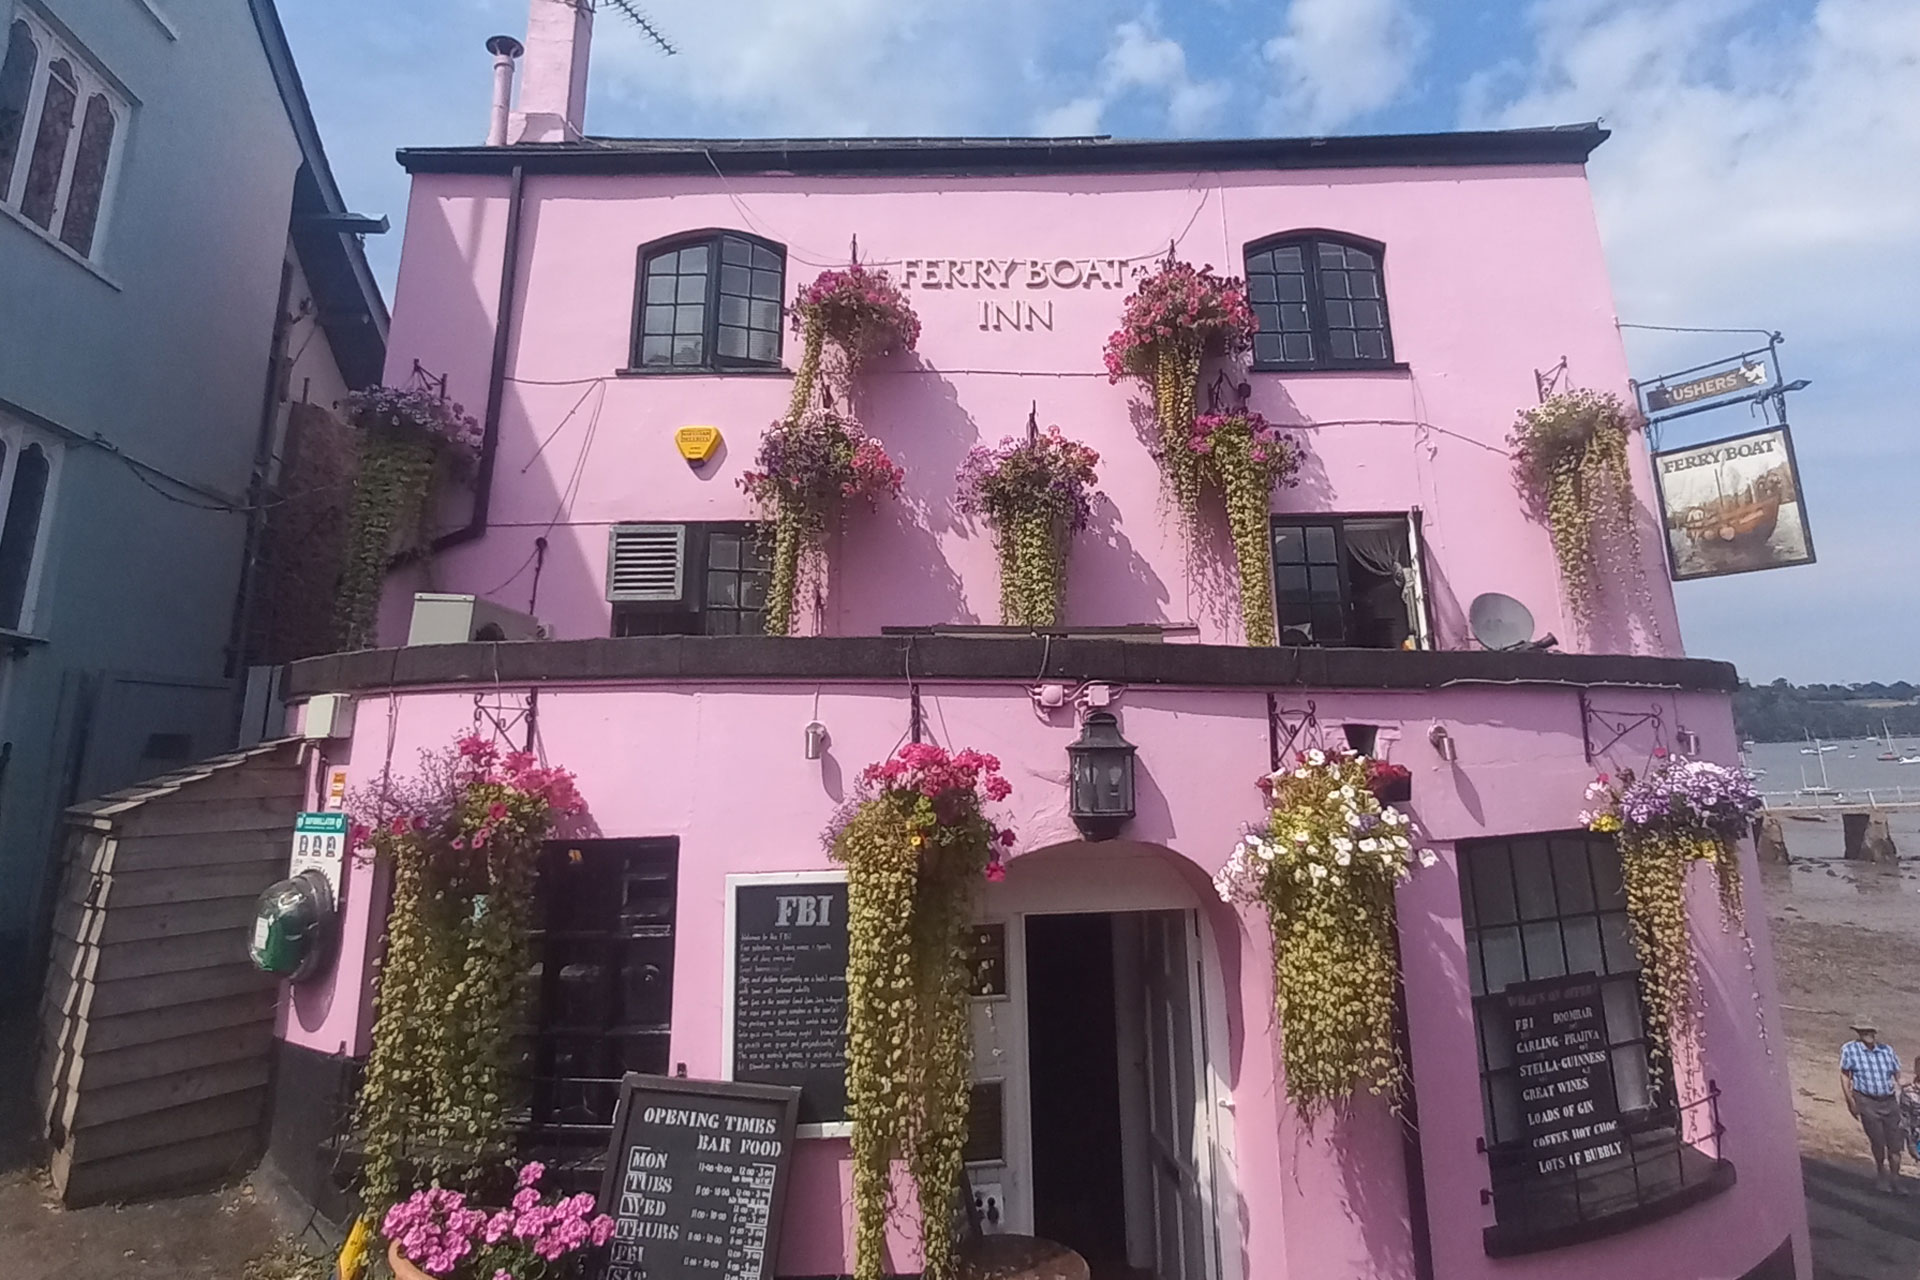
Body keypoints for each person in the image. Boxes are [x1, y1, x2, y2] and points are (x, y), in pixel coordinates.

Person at [1841, 1016, 1905, 1192]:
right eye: (1863, 1031)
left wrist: (1901, 1091)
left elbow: (1897, 1073)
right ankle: (1881, 1174)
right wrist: (1850, 1100)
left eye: (1870, 1031)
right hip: (1867, 1100)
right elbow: (1845, 1075)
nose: (1868, 1034)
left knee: (1895, 1143)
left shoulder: (1887, 1050)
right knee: (1877, 1140)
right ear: (1858, 1033)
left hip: (1889, 1100)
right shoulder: (1850, 1050)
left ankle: (1895, 1179)